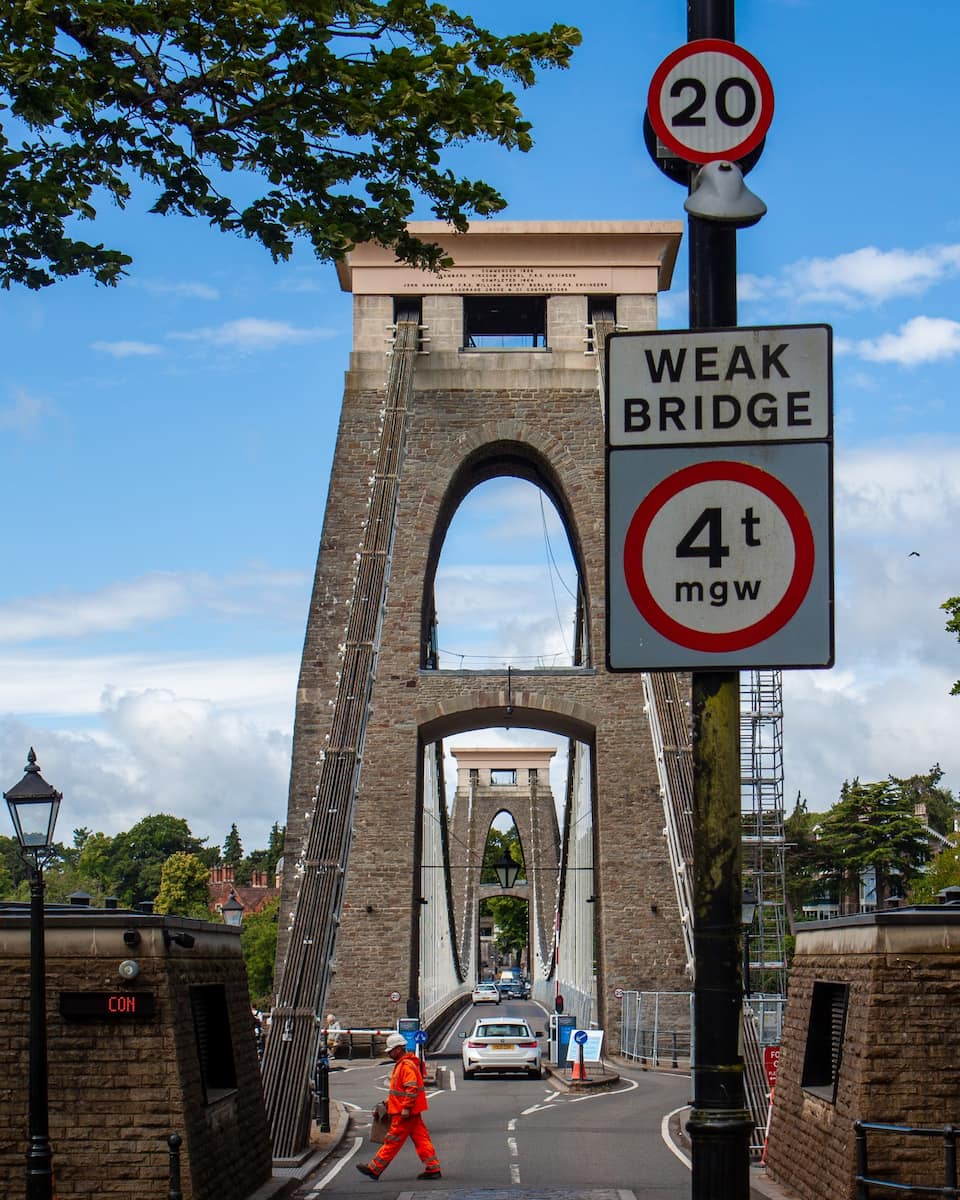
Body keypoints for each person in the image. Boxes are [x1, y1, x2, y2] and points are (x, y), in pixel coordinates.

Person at [356, 1032, 441, 1181]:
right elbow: (401, 1091)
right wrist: (389, 1104)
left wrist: (406, 1108)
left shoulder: (405, 1066)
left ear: (398, 1049)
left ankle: (375, 1168)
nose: (389, 1054)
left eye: (390, 1051)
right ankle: (433, 1167)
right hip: (410, 1111)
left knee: (392, 1141)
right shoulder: (406, 1064)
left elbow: (411, 1088)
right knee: (422, 1139)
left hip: (404, 1113)